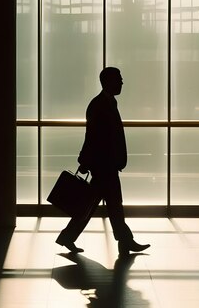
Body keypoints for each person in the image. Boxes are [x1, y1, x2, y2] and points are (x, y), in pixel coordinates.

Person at [56, 67, 150, 256]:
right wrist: (87, 160)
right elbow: (94, 136)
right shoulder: (101, 105)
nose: (122, 82)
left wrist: (86, 160)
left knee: (93, 205)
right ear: (109, 82)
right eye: (119, 79)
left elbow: (93, 135)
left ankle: (69, 237)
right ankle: (125, 241)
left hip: (104, 165)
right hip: (104, 166)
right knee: (112, 205)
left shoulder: (104, 103)